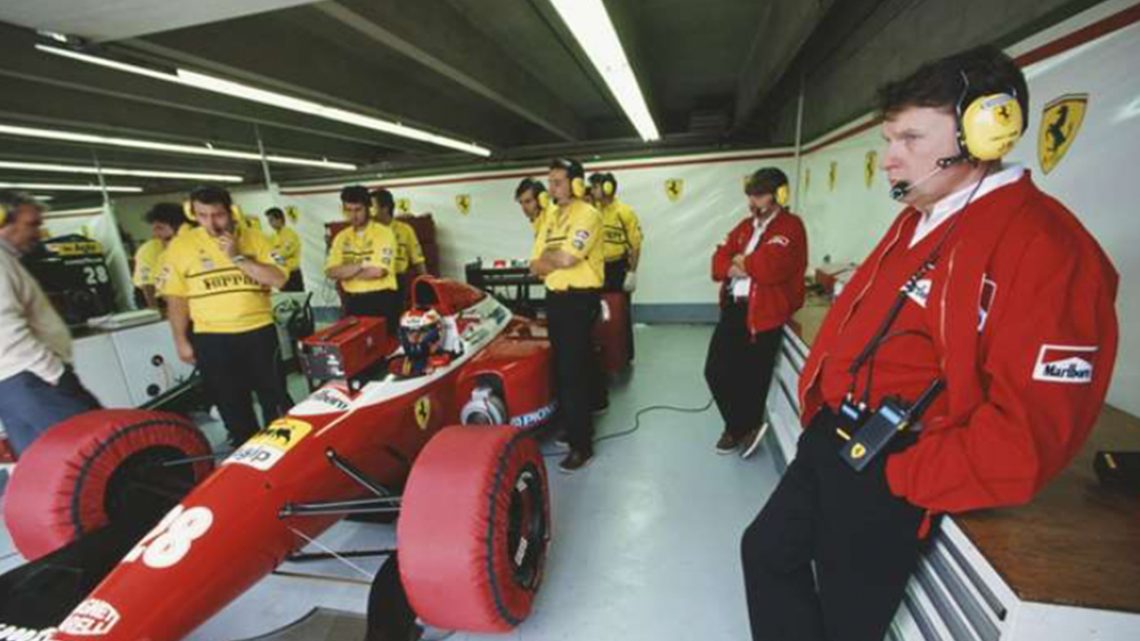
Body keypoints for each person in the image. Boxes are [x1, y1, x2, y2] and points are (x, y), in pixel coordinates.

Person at [740, 46, 1118, 641]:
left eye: (911, 139)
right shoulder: (921, 217)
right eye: (889, 139)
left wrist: (905, 476)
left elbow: (1031, 431)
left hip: (893, 467)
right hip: (836, 438)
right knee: (765, 552)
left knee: (844, 617)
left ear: (986, 132)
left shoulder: (1049, 248)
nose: (889, 159)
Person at [157, 186, 291, 447]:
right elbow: (176, 298)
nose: (211, 223)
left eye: (217, 215)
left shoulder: (257, 239)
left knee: (275, 400)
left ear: (231, 212)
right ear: (193, 214)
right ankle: (245, 449)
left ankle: (284, 450)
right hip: (212, 338)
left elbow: (278, 279)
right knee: (230, 404)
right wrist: (180, 340)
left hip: (258, 332)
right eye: (202, 215)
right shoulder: (181, 247)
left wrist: (238, 257)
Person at [706, 167, 807, 458]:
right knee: (715, 371)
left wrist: (741, 261)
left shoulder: (791, 227)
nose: (753, 202)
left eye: (760, 195)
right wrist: (737, 264)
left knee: (752, 377)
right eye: (750, 195)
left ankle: (742, 428)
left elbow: (769, 267)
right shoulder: (744, 226)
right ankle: (741, 426)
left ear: (780, 195)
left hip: (765, 313)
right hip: (734, 309)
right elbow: (717, 262)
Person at [0, 191, 102, 456]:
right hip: (34, 379)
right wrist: (54, 373)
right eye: (32, 224)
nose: (39, 233)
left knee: (47, 463)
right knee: (94, 452)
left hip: (20, 382)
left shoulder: (7, 260)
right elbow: (4, 329)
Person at [529, 158, 605, 473]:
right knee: (563, 368)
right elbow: (535, 263)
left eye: (558, 182)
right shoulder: (550, 216)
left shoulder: (588, 214)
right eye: (550, 182)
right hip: (556, 299)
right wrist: (551, 260)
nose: (552, 188)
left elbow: (567, 258)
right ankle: (574, 425)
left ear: (576, 184)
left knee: (573, 372)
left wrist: (551, 260)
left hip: (579, 300)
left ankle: (581, 445)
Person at [326, 186, 400, 334]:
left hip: (381, 301)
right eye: (348, 210)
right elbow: (331, 272)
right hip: (352, 302)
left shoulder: (384, 233)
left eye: (358, 210)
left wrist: (346, 271)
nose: (353, 215)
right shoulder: (341, 237)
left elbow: (378, 272)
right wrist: (362, 265)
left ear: (368, 208)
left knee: (385, 345)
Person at [589, 171, 643, 361]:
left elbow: (635, 245)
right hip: (598, 267)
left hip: (618, 267)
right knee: (599, 311)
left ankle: (624, 354)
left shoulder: (624, 212)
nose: (592, 191)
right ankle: (603, 352)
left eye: (595, 187)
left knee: (621, 312)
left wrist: (632, 272)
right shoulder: (593, 212)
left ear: (607, 187)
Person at [370, 188, 425, 305]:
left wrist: (427, 283)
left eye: (372, 206)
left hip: (397, 279)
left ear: (385, 208)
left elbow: (418, 259)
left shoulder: (405, 230)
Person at [133, 202, 186, 309]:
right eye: (154, 229)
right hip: (158, 300)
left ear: (178, 227)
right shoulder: (149, 249)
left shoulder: (187, 245)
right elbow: (147, 285)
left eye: (159, 228)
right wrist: (155, 311)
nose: (155, 234)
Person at [265, 207, 304, 292]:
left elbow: (284, 253)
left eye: (271, 220)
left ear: (280, 219)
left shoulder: (290, 234)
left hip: (292, 273)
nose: (269, 223)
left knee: (297, 298)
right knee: (284, 298)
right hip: (281, 273)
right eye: (269, 221)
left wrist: (274, 256)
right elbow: (268, 253)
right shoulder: (272, 237)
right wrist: (274, 256)